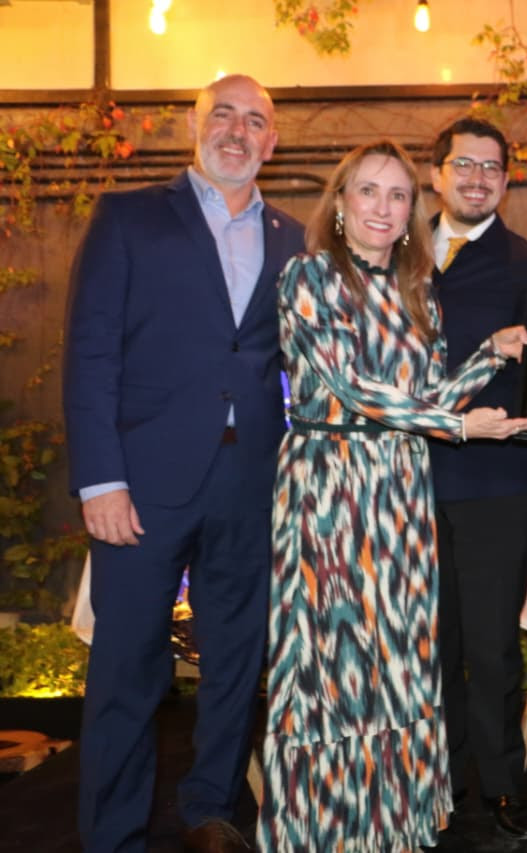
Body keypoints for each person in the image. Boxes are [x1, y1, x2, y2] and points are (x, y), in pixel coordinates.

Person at [255, 139, 527, 850]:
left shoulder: (412, 289)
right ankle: (324, 828)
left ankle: (390, 825)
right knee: (332, 667)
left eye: (397, 195)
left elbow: (431, 396)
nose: (383, 207)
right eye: (368, 191)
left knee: (397, 666)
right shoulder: (309, 274)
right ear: (340, 202)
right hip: (332, 492)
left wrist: (490, 356)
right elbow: (352, 386)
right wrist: (459, 425)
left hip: (401, 495)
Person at [63, 74, 304, 853]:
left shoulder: (294, 238)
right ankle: (112, 834)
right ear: (194, 127)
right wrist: (101, 479)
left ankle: (210, 811)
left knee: (235, 661)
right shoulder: (129, 217)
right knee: (127, 667)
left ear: (272, 141)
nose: (237, 130)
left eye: (254, 120)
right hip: (141, 484)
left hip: (252, 481)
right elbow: (90, 353)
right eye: (222, 114)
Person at [426, 117, 527, 839]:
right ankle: (438, 784)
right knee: (430, 646)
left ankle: (503, 785)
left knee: (494, 645)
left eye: (491, 168)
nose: (477, 178)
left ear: (506, 181)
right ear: (436, 174)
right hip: (407, 479)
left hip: (499, 480)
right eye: (463, 164)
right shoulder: (395, 252)